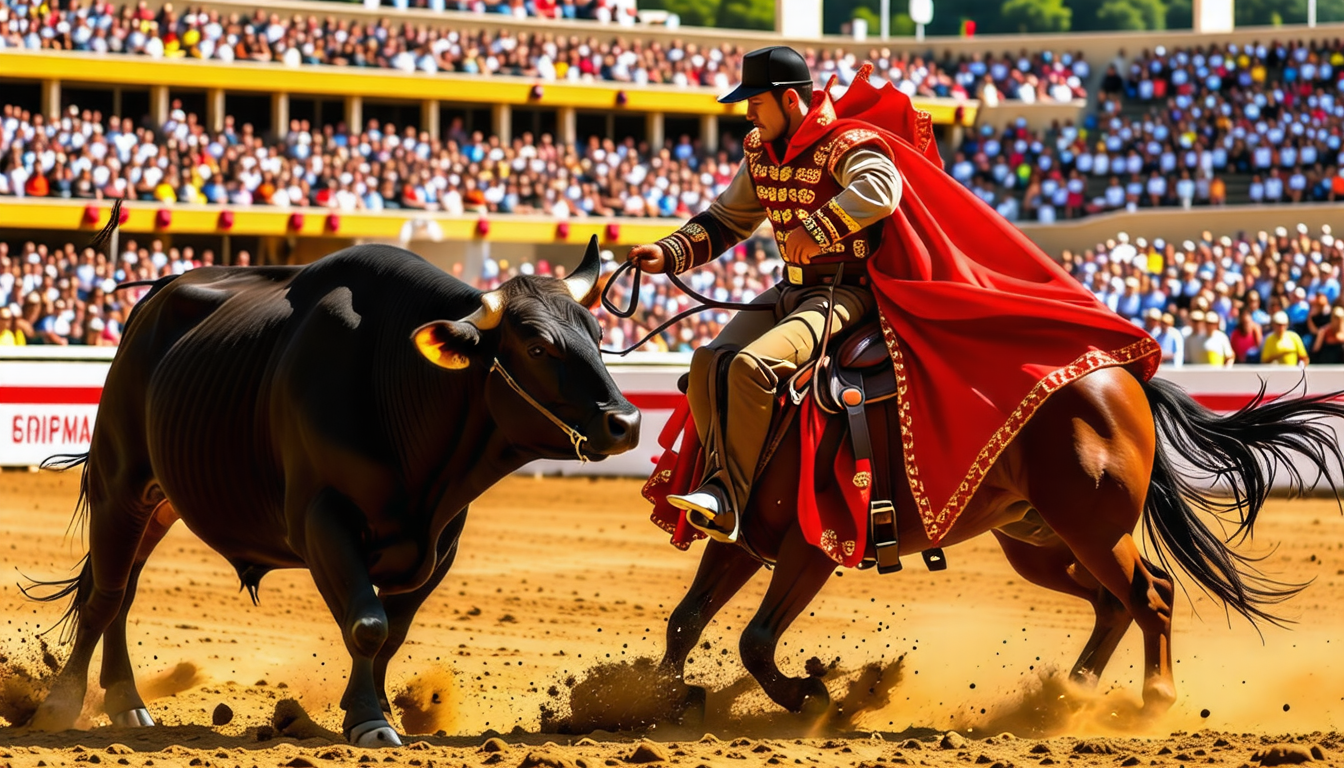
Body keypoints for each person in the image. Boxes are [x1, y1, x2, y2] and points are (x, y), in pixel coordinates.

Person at [632, 45, 1161, 554]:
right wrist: (668, 253)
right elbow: (728, 218)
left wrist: (819, 229)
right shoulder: (761, 152)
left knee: (751, 367)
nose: (749, 114)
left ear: (790, 100)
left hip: (846, 292)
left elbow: (882, 189)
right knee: (706, 362)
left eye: (756, 102)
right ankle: (723, 488)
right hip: (792, 289)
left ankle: (732, 498)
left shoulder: (846, 141)